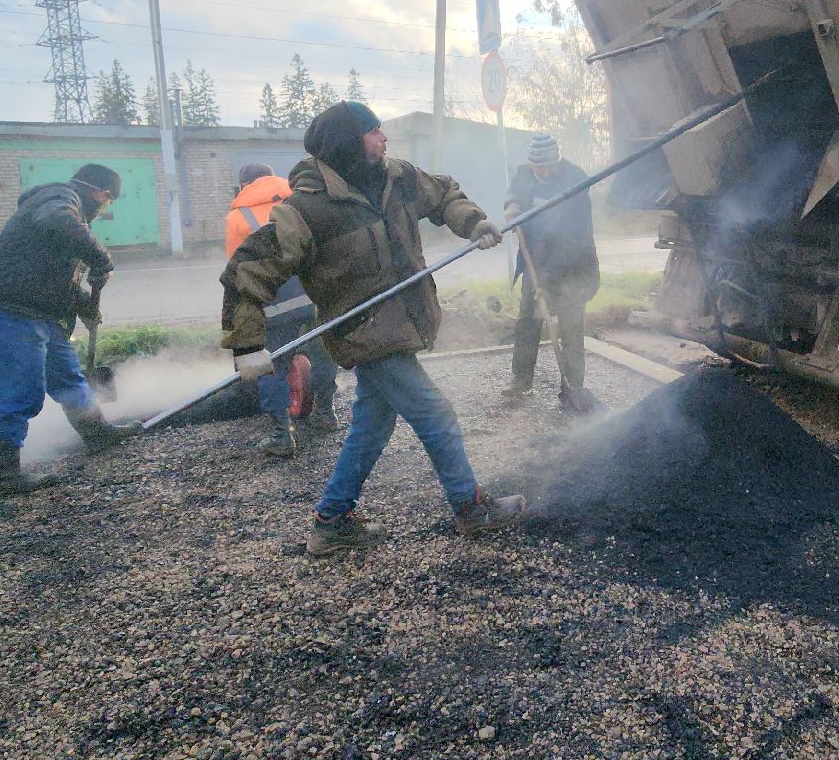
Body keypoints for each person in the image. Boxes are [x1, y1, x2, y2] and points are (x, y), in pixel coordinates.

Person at [221, 101, 525, 556]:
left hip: (404, 320)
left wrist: (472, 222)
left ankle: (332, 521)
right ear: (350, 142)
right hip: (365, 333)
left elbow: (443, 194)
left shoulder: (397, 178)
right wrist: (247, 346)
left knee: (370, 425)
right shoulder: (306, 210)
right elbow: (247, 271)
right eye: (374, 131)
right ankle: (470, 507)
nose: (384, 138)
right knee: (435, 415)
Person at [0, 163, 137, 498]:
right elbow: (57, 222)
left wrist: (82, 301)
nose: (104, 208)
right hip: (12, 309)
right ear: (103, 194)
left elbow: (45, 271)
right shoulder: (59, 197)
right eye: (108, 202)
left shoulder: (57, 207)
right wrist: (102, 259)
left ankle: (96, 433)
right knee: (19, 388)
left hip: (40, 312)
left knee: (67, 376)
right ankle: (1, 474)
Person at [173, 163, 340, 458]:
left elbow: (240, 271)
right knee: (324, 350)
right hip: (314, 294)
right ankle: (326, 413)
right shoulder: (300, 201)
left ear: (243, 185)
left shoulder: (238, 217)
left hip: (272, 302)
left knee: (270, 365)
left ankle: (282, 436)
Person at [501, 133, 602, 412]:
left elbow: (573, 241)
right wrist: (511, 205)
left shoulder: (576, 180)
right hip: (534, 259)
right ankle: (521, 379)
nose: (544, 172)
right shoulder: (525, 174)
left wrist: (544, 280)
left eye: (549, 167)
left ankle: (572, 387)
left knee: (570, 327)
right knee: (527, 322)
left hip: (572, 265)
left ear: (559, 160)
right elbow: (515, 193)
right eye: (538, 167)